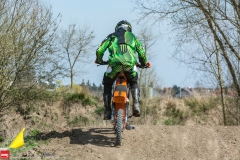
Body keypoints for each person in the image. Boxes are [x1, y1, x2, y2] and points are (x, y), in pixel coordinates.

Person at [95, 20, 147, 120]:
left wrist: (99, 60)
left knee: (107, 83)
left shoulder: (111, 36)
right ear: (129, 29)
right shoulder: (133, 37)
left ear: (117, 28)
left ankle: (107, 110)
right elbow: (142, 52)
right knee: (133, 81)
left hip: (115, 65)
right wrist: (143, 63)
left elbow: (100, 50)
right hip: (129, 65)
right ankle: (136, 104)